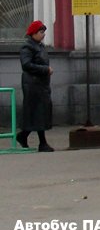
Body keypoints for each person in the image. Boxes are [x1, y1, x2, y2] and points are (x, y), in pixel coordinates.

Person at [17, 20, 55, 151]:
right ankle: (42, 143)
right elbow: (26, 65)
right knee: (38, 112)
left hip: (41, 84)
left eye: (44, 32)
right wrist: (45, 70)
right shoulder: (27, 47)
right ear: (33, 33)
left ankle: (23, 135)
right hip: (32, 85)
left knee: (39, 112)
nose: (43, 34)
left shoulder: (40, 46)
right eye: (41, 32)